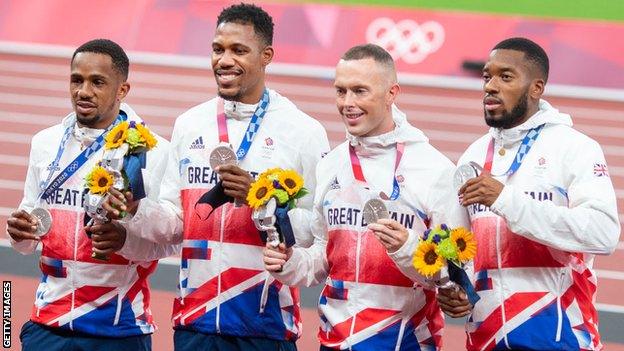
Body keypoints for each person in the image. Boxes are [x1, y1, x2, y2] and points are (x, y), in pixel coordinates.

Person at [106, 3, 330, 351]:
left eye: (239, 50)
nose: (225, 60)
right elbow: (175, 223)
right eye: (218, 49)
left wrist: (259, 198)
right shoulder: (189, 124)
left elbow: (318, 235)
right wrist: (135, 209)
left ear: (266, 56)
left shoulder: (302, 132)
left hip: (265, 327)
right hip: (195, 323)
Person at [262, 44, 469, 350]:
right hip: (334, 341)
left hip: (404, 343)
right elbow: (322, 256)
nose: (348, 103)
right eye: (341, 91)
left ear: (391, 93)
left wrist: (409, 247)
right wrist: (289, 262)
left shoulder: (433, 169)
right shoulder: (331, 164)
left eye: (360, 91)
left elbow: (455, 272)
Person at [438, 37, 621, 350]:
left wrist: (505, 201)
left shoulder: (575, 148)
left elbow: (603, 234)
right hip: (486, 339)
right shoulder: (473, 155)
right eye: (487, 77)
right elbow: (459, 246)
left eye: (505, 77)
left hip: (561, 338)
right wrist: (457, 287)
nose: (490, 86)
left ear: (536, 88)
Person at [5, 39, 171, 351]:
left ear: (122, 90)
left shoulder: (154, 151)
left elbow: (171, 238)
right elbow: (30, 235)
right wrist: (19, 234)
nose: (83, 91)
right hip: (47, 326)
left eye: (97, 82)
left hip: (119, 329)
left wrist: (126, 238)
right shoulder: (45, 142)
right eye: (77, 80)